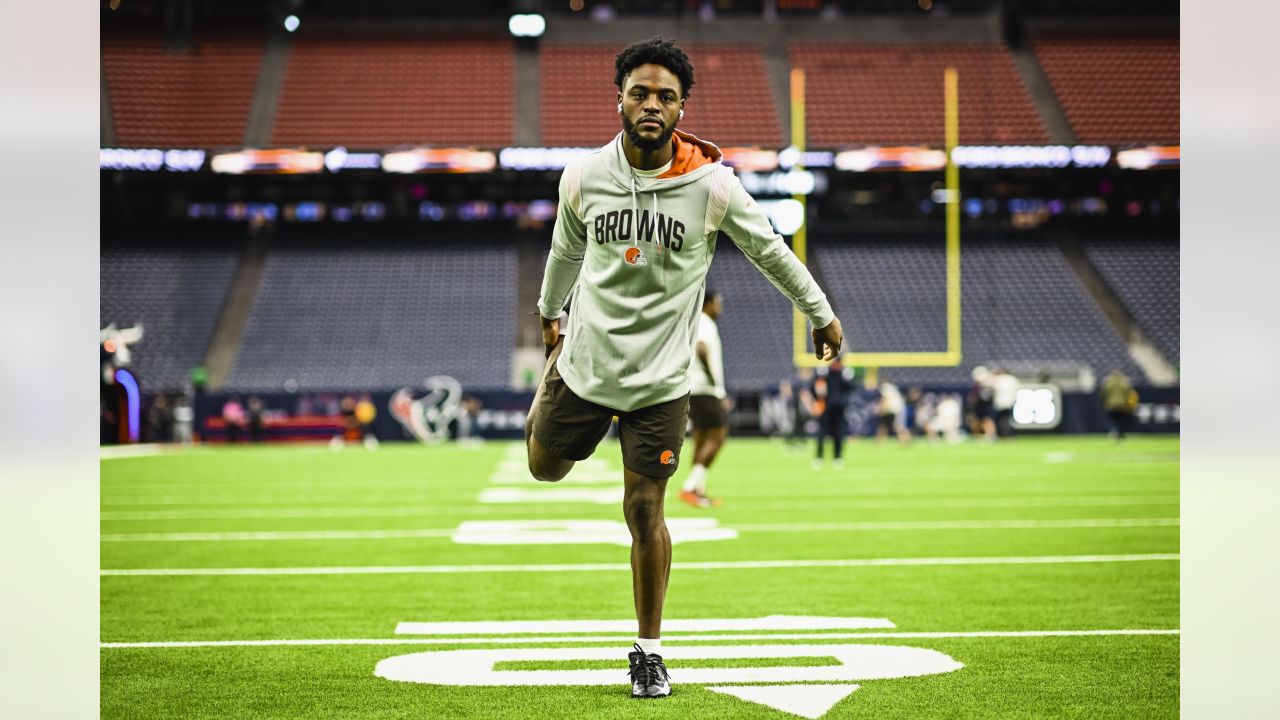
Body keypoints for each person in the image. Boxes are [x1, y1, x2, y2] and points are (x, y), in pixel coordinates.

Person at [525, 36, 843, 700]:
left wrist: (819, 311)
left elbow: (770, 250)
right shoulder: (583, 176)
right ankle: (547, 395)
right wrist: (550, 311)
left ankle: (648, 650)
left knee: (644, 509)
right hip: (583, 364)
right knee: (544, 467)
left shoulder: (712, 186)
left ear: (681, 108)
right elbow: (562, 252)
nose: (650, 104)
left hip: (663, 382)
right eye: (639, 92)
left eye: (665, 96)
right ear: (618, 97)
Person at [680, 289, 728, 508]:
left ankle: (697, 490)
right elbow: (701, 349)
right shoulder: (706, 322)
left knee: (701, 438)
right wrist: (714, 383)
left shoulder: (697, 321)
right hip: (704, 388)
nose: (720, 307)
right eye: (717, 303)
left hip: (694, 387)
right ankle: (690, 487)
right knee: (718, 436)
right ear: (708, 303)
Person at [812, 357, 854, 468]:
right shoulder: (825, 374)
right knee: (822, 433)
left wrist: (848, 379)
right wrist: (819, 376)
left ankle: (837, 457)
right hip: (826, 408)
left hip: (839, 408)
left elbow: (850, 388)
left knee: (838, 434)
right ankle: (819, 457)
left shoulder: (843, 374)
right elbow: (816, 389)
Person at [1100, 369, 1137, 440]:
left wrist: (1104, 401)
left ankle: (1115, 431)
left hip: (1111, 404)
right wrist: (1128, 403)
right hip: (1122, 405)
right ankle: (1121, 433)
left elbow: (1104, 392)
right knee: (1121, 420)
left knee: (1113, 419)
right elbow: (1129, 392)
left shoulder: (1109, 382)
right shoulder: (1124, 382)